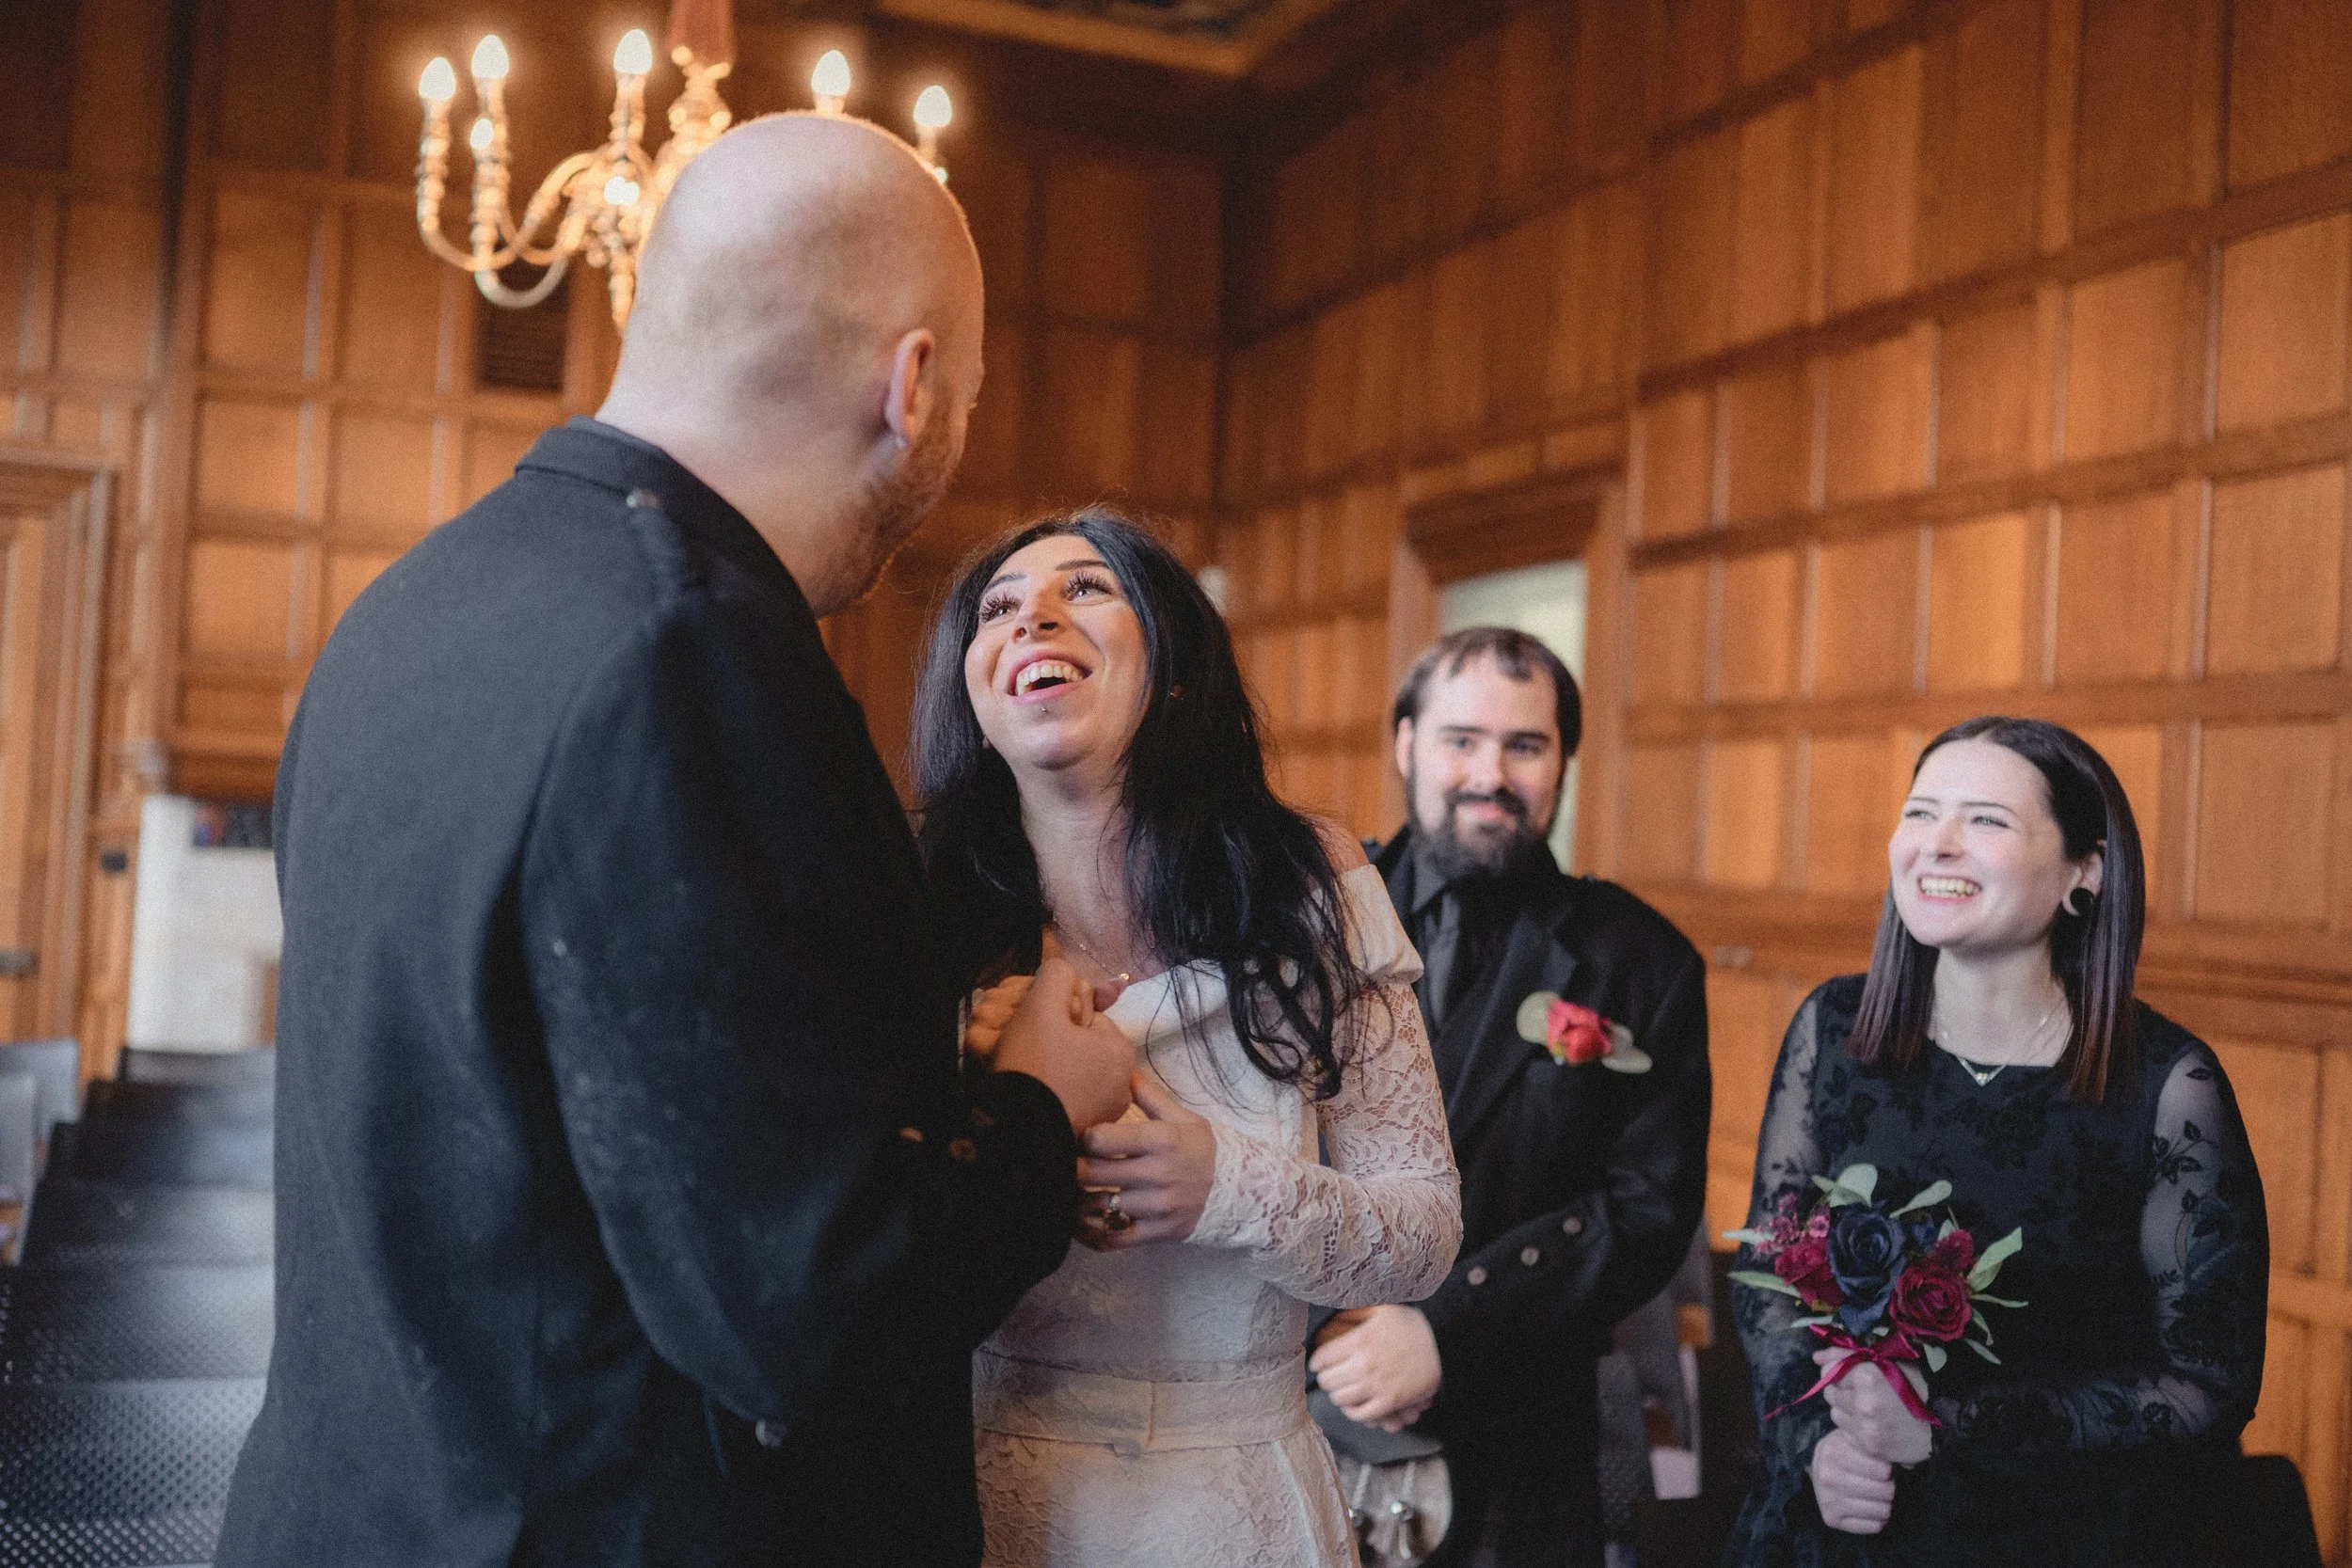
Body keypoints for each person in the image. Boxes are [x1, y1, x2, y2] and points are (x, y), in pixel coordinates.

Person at [216, 116, 1137, 1568]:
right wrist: (1035, 1102)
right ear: (909, 385)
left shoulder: (414, 599)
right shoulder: (688, 653)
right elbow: (801, 1313)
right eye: (961, 396)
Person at [910, 508, 1462, 1568]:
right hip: (989, 1494)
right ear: (974, 697)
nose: (1032, 619)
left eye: (1083, 588)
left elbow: (1423, 1231)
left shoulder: (1311, 885)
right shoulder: (916, 916)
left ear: (1170, 662)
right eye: (998, 608)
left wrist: (1227, 1186)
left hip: (1242, 1495)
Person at [1725, 717, 2269, 1567]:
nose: (1938, 844)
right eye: (1920, 813)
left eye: (1986, 820)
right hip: (1845, 1524)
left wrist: (1944, 1430)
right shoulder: (1831, 1029)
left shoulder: (2170, 1083)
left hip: (2068, 1535)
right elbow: (1769, 1278)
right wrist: (1813, 1446)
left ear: (2082, 873)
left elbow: (2205, 1382)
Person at [1321, 626, 1712, 1568]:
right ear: (1405, 743)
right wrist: (1335, 1336)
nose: (1489, 772)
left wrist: (1444, 1327)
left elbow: (1646, 1208)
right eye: (1461, 738)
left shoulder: (1640, 959)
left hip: (1524, 1435)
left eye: (1524, 745)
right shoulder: (1307, 925)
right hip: (1305, 1405)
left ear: (1563, 760)